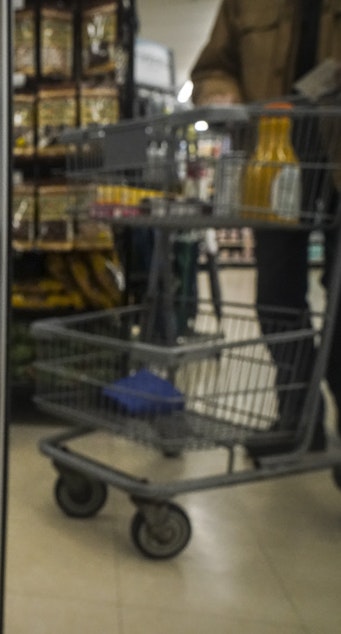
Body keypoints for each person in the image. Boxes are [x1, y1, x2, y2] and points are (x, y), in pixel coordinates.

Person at [190, 0, 341, 456]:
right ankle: (297, 418)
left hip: (337, 163)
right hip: (272, 164)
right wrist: (221, 94)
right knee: (275, 297)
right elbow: (213, 67)